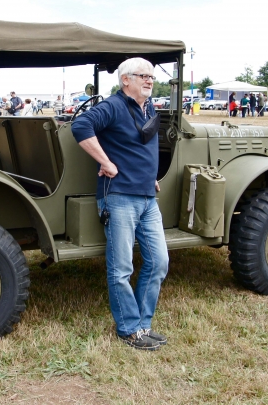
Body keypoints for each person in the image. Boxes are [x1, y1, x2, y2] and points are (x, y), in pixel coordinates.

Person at [71, 57, 169, 351]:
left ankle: (143, 324)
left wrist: (149, 177)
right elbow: (81, 125)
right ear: (125, 80)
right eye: (143, 76)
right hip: (120, 196)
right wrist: (106, 162)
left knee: (159, 261)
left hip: (147, 197)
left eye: (151, 76)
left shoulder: (148, 108)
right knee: (121, 267)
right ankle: (128, 329)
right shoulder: (113, 106)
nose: (149, 80)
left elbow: (139, 148)